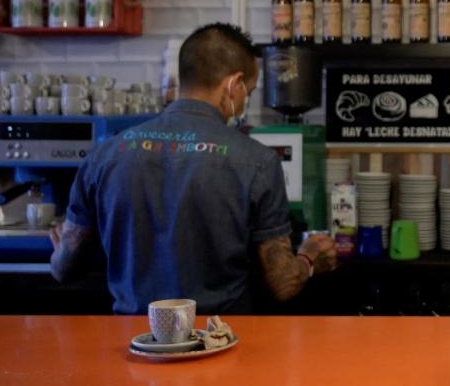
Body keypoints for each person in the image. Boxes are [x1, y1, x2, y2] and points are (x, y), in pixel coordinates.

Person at [50, 22, 337, 314]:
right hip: (220, 341)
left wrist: (63, 247)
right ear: (233, 85)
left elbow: (63, 269)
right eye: (247, 92)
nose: (244, 100)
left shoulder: (104, 155)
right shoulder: (258, 161)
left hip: (135, 343)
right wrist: (309, 258)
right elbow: (283, 283)